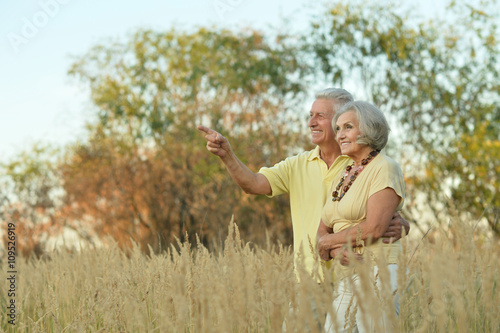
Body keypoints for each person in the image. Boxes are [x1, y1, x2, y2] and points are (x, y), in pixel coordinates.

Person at [197, 88, 409, 278]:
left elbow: (379, 216)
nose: (311, 122)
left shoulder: (366, 163)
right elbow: (252, 184)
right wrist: (227, 155)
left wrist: (400, 224)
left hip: (353, 273)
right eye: (310, 116)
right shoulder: (298, 164)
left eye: (320, 116)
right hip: (310, 278)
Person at [317, 101, 405, 332]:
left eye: (348, 127)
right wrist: (334, 249)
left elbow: (374, 229)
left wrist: (326, 244)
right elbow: (323, 230)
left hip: (377, 269)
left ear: (368, 129)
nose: (340, 135)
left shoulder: (384, 167)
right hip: (345, 272)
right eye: (337, 129)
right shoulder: (342, 174)